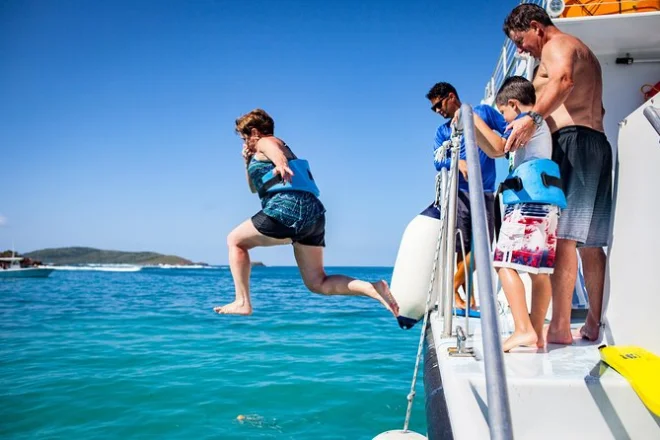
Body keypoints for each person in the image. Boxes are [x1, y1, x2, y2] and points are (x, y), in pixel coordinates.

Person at [214, 109, 399, 317]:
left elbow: (274, 151)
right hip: (314, 215)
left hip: (287, 208)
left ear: (254, 132)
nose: (244, 142)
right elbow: (253, 188)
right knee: (318, 282)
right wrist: (247, 161)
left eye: (244, 137)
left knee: (235, 240)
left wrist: (281, 165)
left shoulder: (266, 142)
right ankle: (373, 288)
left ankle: (242, 301)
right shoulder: (261, 152)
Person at [503, 4, 612, 344]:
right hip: (597, 143)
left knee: (564, 238)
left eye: (520, 41)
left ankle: (561, 327)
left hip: (574, 143)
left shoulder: (557, 45)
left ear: (536, 27)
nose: (521, 50)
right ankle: (592, 323)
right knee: (591, 244)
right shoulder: (584, 51)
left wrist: (531, 118)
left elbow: (564, 81)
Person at [459, 76, 565, 351]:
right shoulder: (540, 125)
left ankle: (522, 329)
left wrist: (472, 117)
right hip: (547, 206)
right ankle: (536, 332)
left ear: (514, 105)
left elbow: (497, 148)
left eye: (504, 111)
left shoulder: (524, 122)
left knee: (503, 263)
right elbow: (495, 149)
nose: (504, 119)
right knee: (539, 271)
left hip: (526, 205)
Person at [424, 82, 507, 309]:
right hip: (459, 194)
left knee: (483, 246)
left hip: (485, 191)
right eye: (434, 108)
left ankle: (451, 286)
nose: (437, 111)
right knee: (463, 247)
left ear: (451, 97)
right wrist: (456, 161)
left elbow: (505, 127)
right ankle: (467, 299)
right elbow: (437, 160)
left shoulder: (483, 113)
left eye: (439, 105)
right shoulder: (442, 132)